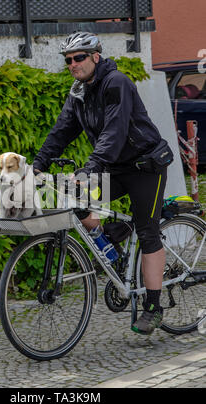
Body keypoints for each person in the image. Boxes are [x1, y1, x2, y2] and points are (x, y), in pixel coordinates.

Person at [32, 31, 171, 335]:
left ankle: (153, 307)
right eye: (68, 60)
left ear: (96, 57)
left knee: (148, 230)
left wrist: (91, 167)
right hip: (115, 167)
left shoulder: (116, 82)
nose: (72, 64)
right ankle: (116, 254)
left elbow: (115, 131)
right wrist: (38, 164)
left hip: (145, 166)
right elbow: (62, 130)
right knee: (78, 202)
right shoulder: (78, 92)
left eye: (78, 57)